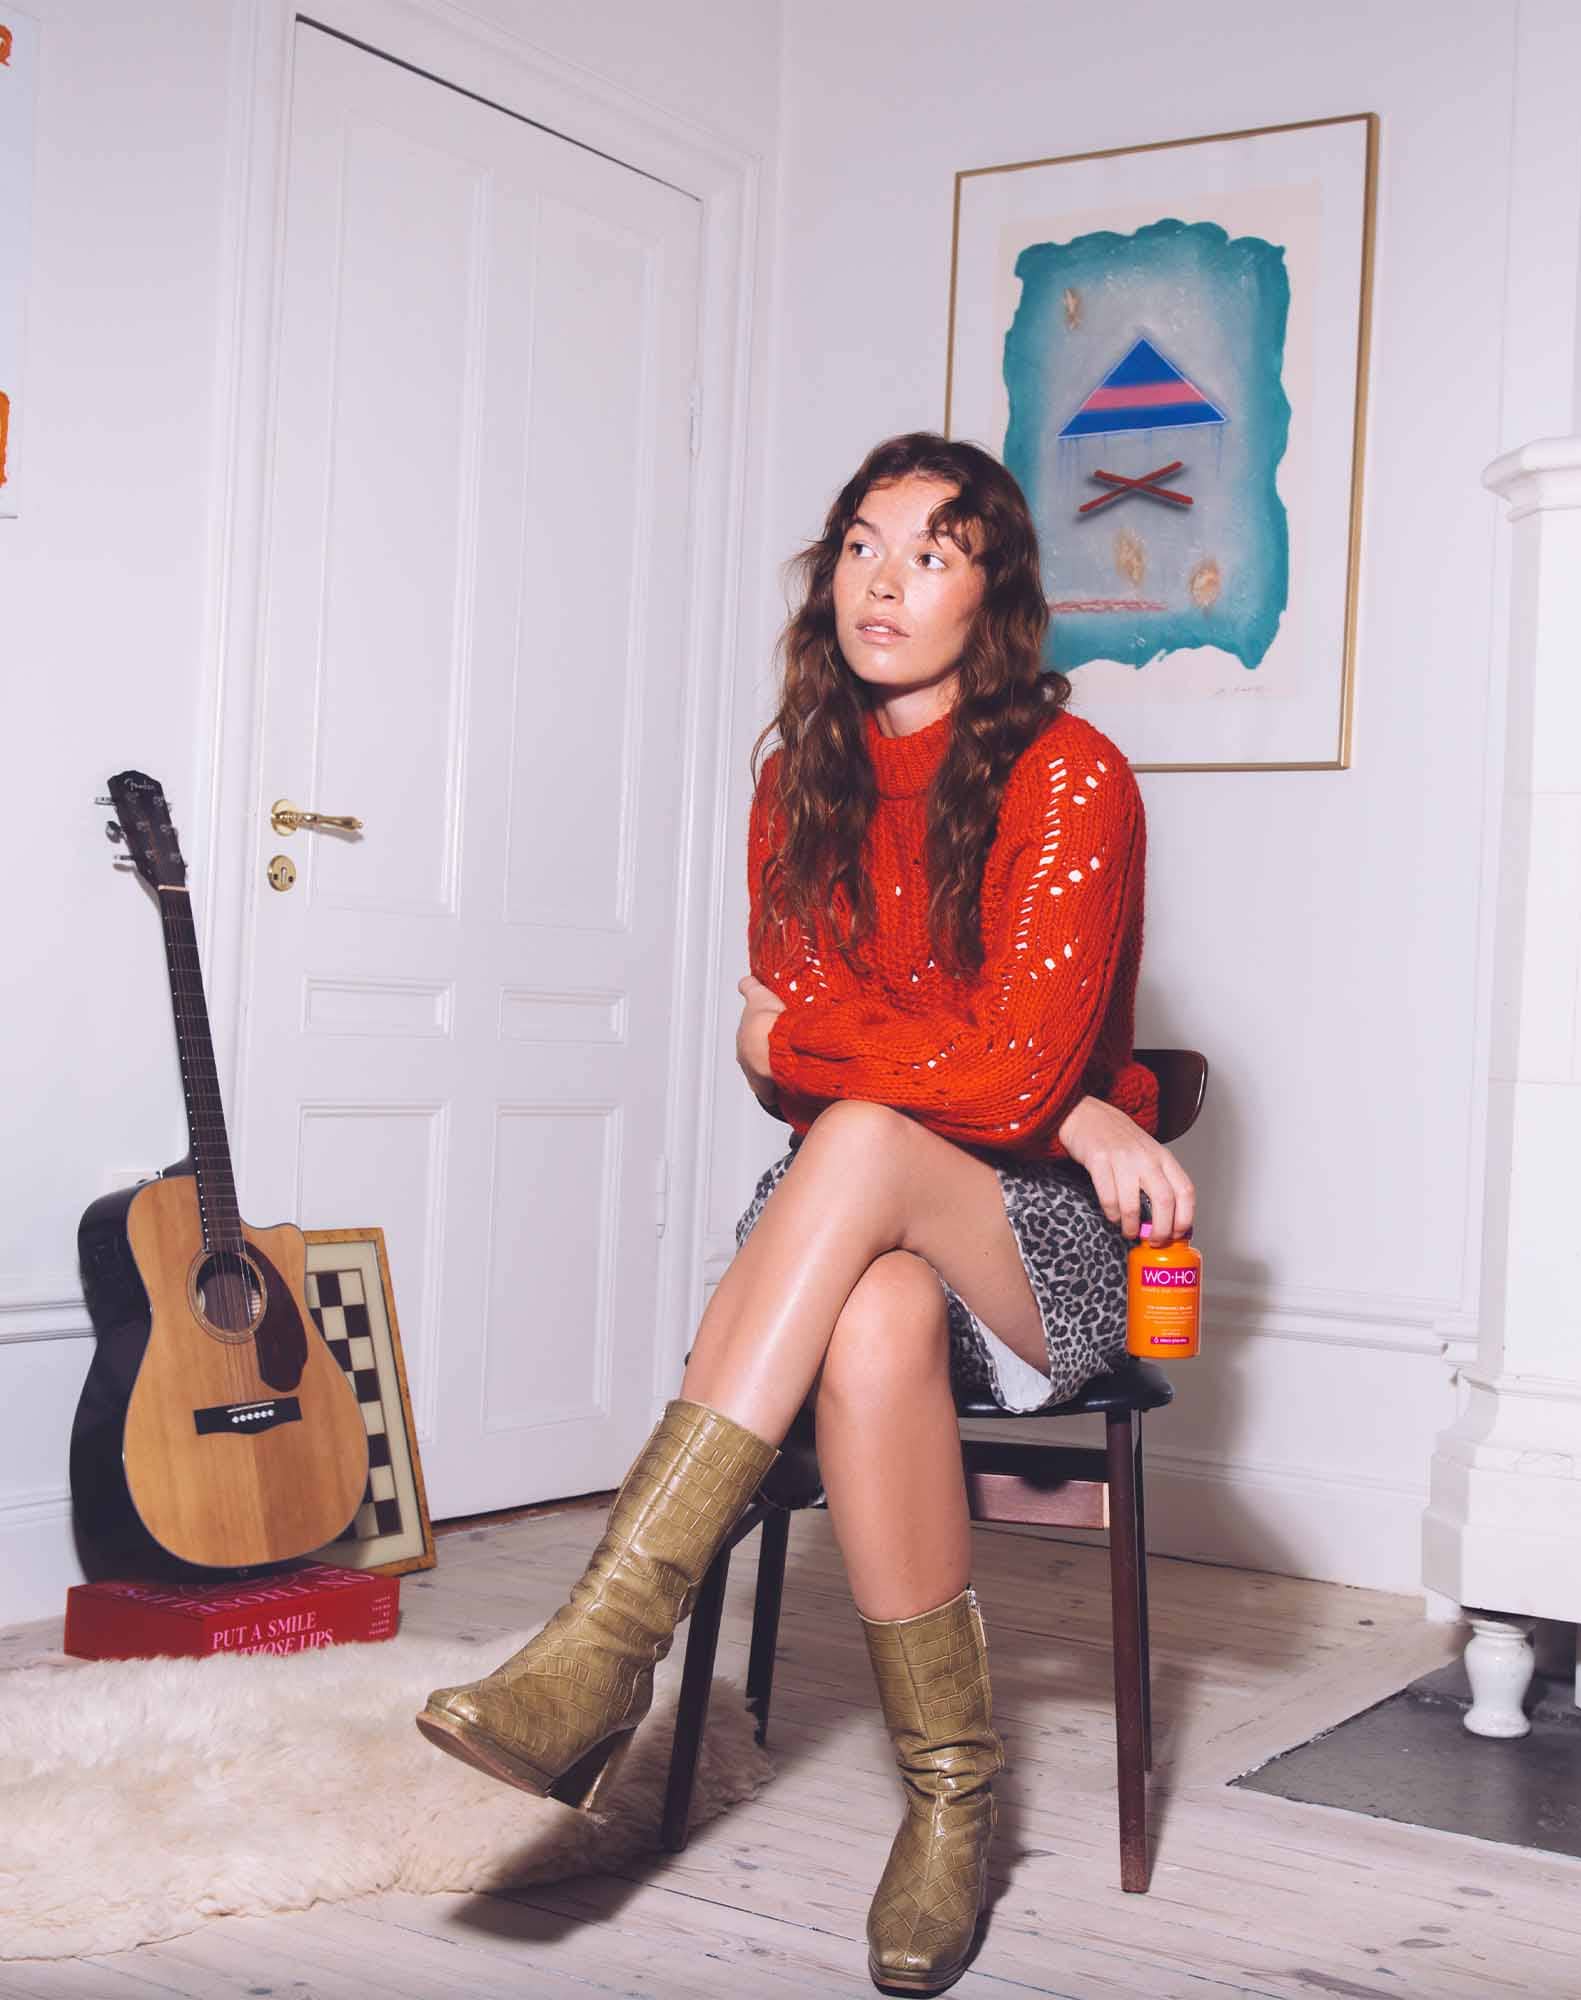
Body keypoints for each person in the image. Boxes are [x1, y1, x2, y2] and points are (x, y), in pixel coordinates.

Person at [416, 432, 1195, 1998]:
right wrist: (1007, 1079)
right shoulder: (800, 778)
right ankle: (953, 1803)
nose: (885, 581)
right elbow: (863, 1074)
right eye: (861, 545)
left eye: (933, 553)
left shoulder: (1070, 776)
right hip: (858, 1236)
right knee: (875, 1308)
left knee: (855, 1126)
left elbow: (884, 1060)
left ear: (994, 596)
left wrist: (1034, 1095)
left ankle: (604, 1645)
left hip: (1039, 1247)